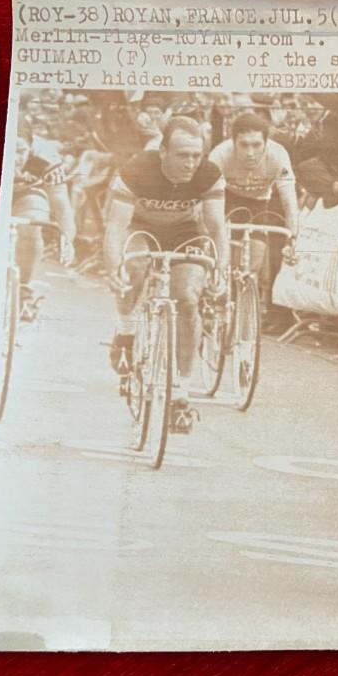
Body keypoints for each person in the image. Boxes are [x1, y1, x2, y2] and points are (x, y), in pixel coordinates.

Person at [104, 116, 230, 434]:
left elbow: (217, 227)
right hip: (141, 228)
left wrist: (222, 268)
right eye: (182, 155)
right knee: (133, 268)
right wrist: (114, 267)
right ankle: (126, 330)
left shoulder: (209, 174)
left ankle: (181, 394)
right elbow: (116, 227)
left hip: (186, 231)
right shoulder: (137, 169)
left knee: (187, 299)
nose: (190, 163)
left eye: (196, 155)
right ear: (162, 151)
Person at [209, 112, 300, 329]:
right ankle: (215, 294)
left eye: (257, 145)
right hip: (225, 199)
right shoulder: (219, 155)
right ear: (233, 142)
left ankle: (242, 306)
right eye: (244, 145)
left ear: (266, 142)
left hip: (258, 203)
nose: (250, 153)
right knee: (222, 255)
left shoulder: (278, 155)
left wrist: (293, 240)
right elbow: (209, 208)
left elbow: (290, 203)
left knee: (252, 264)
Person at [11, 133, 77, 319]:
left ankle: (23, 289)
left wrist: (67, 241)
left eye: (21, 151)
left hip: (26, 193)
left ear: (31, 147)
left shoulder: (47, 157)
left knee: (32, 221)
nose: (15, 158)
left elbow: (62, 207)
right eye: (10, 149)